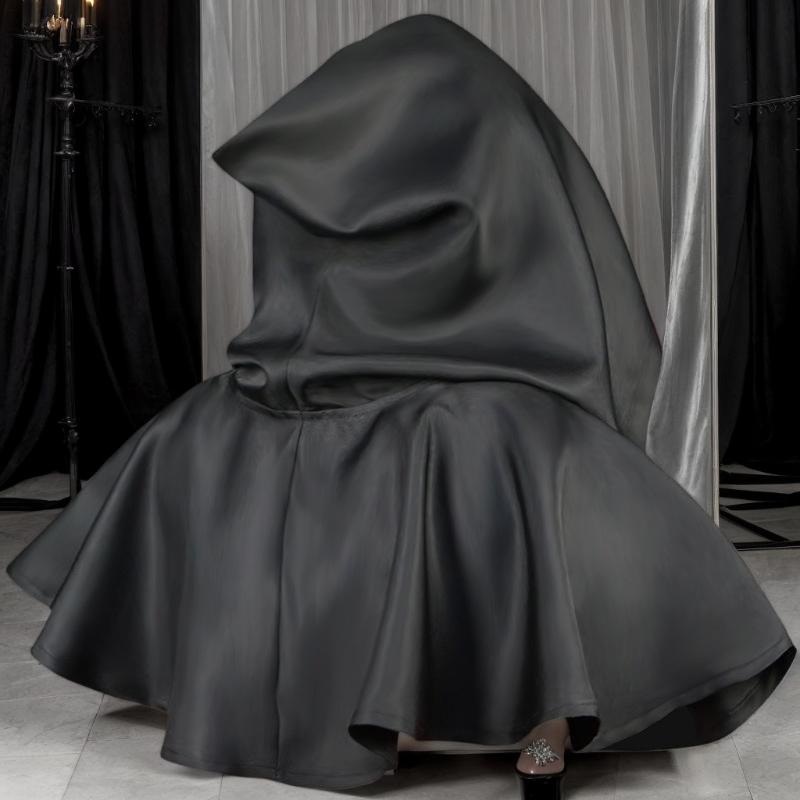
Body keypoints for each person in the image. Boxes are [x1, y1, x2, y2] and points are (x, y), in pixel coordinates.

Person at [8, 15, 794, 799]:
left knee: (486, 446)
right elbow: (546, 279)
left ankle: (525, 717)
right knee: (520, 453)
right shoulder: (488, 146)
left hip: (370, 374)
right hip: (372, 373)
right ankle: (539, 722)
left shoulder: (402, 154)